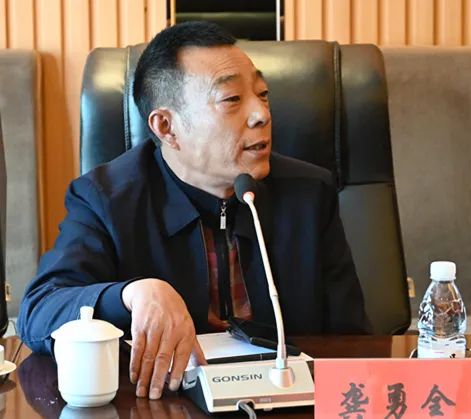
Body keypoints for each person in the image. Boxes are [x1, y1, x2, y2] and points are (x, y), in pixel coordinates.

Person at [18, 21, 371, 400]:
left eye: (263, 94)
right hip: (161, 404)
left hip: (288, 400)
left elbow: (352, 340)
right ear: (166, 126)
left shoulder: (309, 193)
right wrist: (131, 295)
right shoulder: (106, 198)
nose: (261, 114)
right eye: (232, 99)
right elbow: (38, 313)